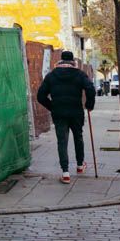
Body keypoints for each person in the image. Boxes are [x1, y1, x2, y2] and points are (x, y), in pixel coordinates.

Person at [36, 50, 96, 184]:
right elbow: (90, 88)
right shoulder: (79, 74)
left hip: (59, 113)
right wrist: (89, 104)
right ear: (73, 61)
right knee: (78, 137)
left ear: (60, 60)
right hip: (76, 112)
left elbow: (40, 96)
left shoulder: (51, 76)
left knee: (62, 141)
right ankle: (80, 166)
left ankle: (65, 173)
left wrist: (52, 106)